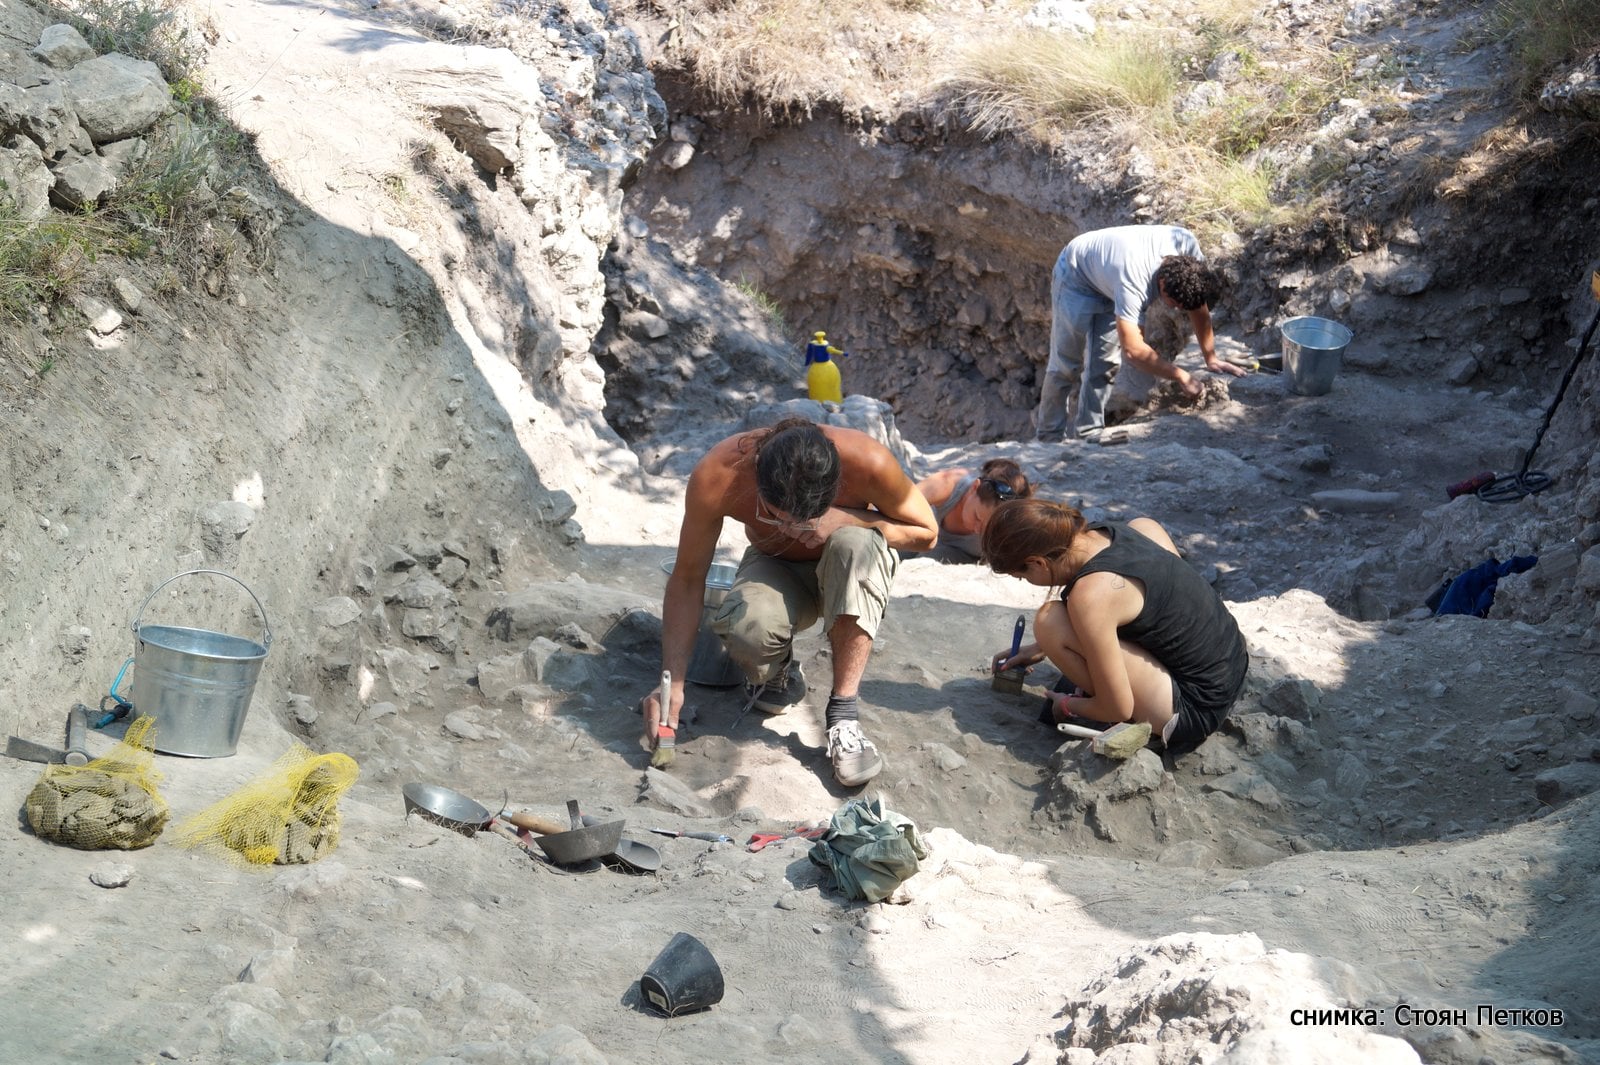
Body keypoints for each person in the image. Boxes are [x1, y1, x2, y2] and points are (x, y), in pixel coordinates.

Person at [642, 416, 939, 786]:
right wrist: (673, 683)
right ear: (757, 481)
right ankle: (778, 671)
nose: (792, 531)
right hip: (776, 567)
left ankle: (844, 716)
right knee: (747, 624)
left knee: (855, 545)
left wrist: (847, 520)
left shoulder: (867, 460)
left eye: (805, 520)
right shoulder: (720, 474)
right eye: (775, 518)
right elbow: (686, 580)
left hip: (849, 564)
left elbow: (927, 534)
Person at [982, 499, 1248, 759]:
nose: (1027, 582)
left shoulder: (1091, 596)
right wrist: (1042, 648)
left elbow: (1118, 708)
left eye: (1023, 575)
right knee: (1145, 524)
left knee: (1049, 621)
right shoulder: (1105, 533)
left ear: (1038, 562)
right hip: (1232, 661)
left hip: (1195, 708)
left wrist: (1065, 704)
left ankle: (1157, 725)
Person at [1033, 224, 1246, 443]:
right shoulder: (1134, 281)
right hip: (1076, 276)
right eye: (1173, 304)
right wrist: (1180, 375)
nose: (1174, 310)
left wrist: (1211, 358)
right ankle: (1049, 439)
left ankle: (1089, 432)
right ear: (1162, 284)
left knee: (1105, 362)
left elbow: (1198, 307)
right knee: (1066, 364)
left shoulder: (1187, 248)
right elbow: (1134, 351)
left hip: (1110, 274)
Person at [909, 458, 1034, 563]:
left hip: (961, 554)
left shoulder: (1009, 526)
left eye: (987, 528)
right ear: (974, 487)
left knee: (925, 560)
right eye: (977, 517)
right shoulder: (949, 483)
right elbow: (900, 504)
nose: (977, 529)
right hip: (921, 534)